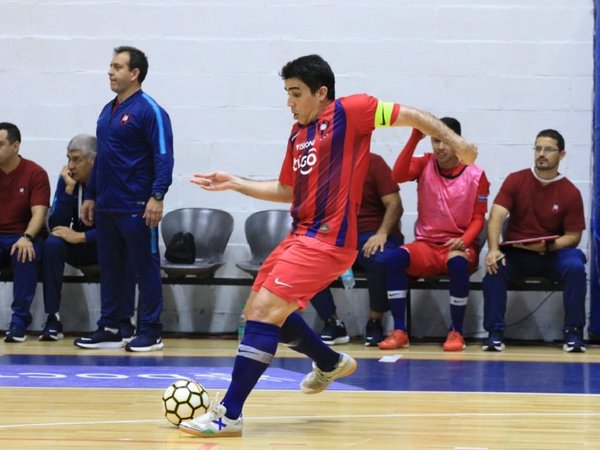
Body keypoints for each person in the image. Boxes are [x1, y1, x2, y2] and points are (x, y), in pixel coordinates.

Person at [178, 54, 478, 438]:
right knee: (261, 310)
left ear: (322, 93)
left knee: (265, 312)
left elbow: (414, 115)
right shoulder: (297, 134)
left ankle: (229, 414)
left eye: (296, 93)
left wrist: (456, 141)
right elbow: (287, 190)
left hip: (329, 242)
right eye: (287, 93)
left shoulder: (352, 111)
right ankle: (329, 361)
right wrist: (237, 182)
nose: (290, 102)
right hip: (299, 235)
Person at [75, 46, 174, 352]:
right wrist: (90, 195)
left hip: (137, 206)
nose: (110, 71)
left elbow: (163, 157)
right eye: (110, 66)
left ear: (135, 74)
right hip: (106, 205)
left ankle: (151, 330)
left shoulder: (150, 111)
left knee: (145, 268)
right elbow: (101, 158)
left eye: (117, 67)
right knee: (112, 269)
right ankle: (114, 327)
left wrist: (157, 196)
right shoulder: (107, 111)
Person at [382, 118, 489, 352]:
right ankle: (400, 330)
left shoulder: (476, 175)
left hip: (459, 245)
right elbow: (398, 175)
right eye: (435, 140)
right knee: (394, 260)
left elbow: (479, 218)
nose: (440, 147)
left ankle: (456, 331)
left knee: (458, 263)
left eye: (446, 141)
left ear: (458, 143)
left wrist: (465, 240)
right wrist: (414, 138)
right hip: (427, 245)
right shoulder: (425, 163)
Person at [482, 129, 587, 353]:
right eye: (538, 148)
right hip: (517, 254)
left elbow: (574, 236)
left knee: (576, 267)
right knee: (494, 267)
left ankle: (573, 333)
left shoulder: (570, 192)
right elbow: (496, 215)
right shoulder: (516, 180)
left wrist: (551, 245)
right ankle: (494, 333)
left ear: (562, 154)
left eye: (548, 149)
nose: (541, 154)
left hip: (552, 255)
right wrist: (492, 249)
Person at [40, 134, 136, 342]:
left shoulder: (113, 181)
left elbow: (118, 228)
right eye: (68, 159)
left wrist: (82, 236)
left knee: (127, 249)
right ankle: (52, 318)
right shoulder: (68, 180)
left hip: (107, 244)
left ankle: (124, 320)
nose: (70, 166)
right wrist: (67, 190)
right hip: (84, 246)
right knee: (52, 244)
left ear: (94, 161)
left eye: (76, 159)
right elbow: (56, 224)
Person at [310, 152, 404, 346]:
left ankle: (375, 322)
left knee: (380, 260)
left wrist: (382, 232)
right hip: (340, 237)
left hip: (372, 234)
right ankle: (332, 322)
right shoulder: (327, 166)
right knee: (309, 262)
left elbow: (395, 204)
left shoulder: (375, 163)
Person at [0, 122, 51, 342]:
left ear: (15, 146)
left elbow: (39, 214)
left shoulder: (35, 173)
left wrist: (27, 237)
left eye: (0, 144)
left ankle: (19, 322)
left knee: (23, 252)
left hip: (22, 235)